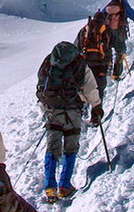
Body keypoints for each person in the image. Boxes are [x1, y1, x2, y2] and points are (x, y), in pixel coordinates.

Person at [36, 42, 102, 202]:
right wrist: (96, 106)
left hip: (52, 109)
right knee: (70, 147)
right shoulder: (79, 63)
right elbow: (90, 87)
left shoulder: (48, 62)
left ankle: (50, 186)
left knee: (52, 147)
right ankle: (65, 185)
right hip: (73, 110)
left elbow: (40, 86)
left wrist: (44, 109)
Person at [74, 10, 124, 125]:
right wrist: (117, 69)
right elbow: (119, 48)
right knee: (98, 89)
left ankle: (77, 117)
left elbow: (75, 48)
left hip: (85, 65)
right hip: (101, 65)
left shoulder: (85, 30)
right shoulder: (108, 31)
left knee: (81, 89)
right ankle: (96, 117)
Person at [103, 0, 134, 80]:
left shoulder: (109, 5)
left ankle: (107, 69)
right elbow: (133, 14)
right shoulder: (124, 5)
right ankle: (116, 74)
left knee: (107, 50)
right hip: (119, 32)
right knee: (120, 51)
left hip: (108, 32)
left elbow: (101, 14)